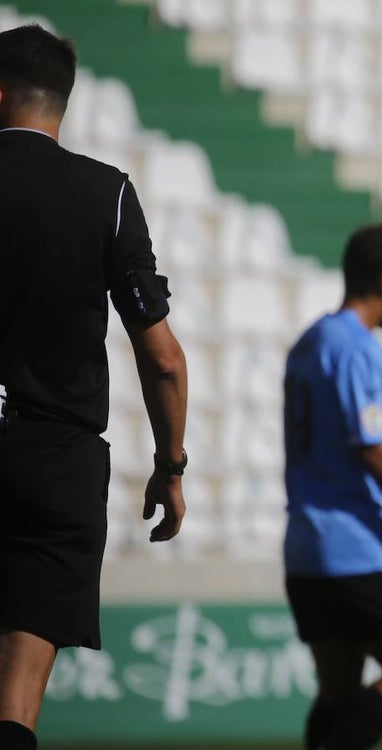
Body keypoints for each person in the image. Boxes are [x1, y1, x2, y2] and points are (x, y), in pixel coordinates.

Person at [0, 24, 188, 750]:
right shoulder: (104, 192)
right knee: (14, 709)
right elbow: (163, 357)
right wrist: (169, 467)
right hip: (56, 460)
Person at [282, 224, 382, 750]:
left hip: (304, 546)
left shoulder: (309, 341)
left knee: (338, 689)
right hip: (355, 547)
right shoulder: (355, 347)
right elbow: (370, 445)